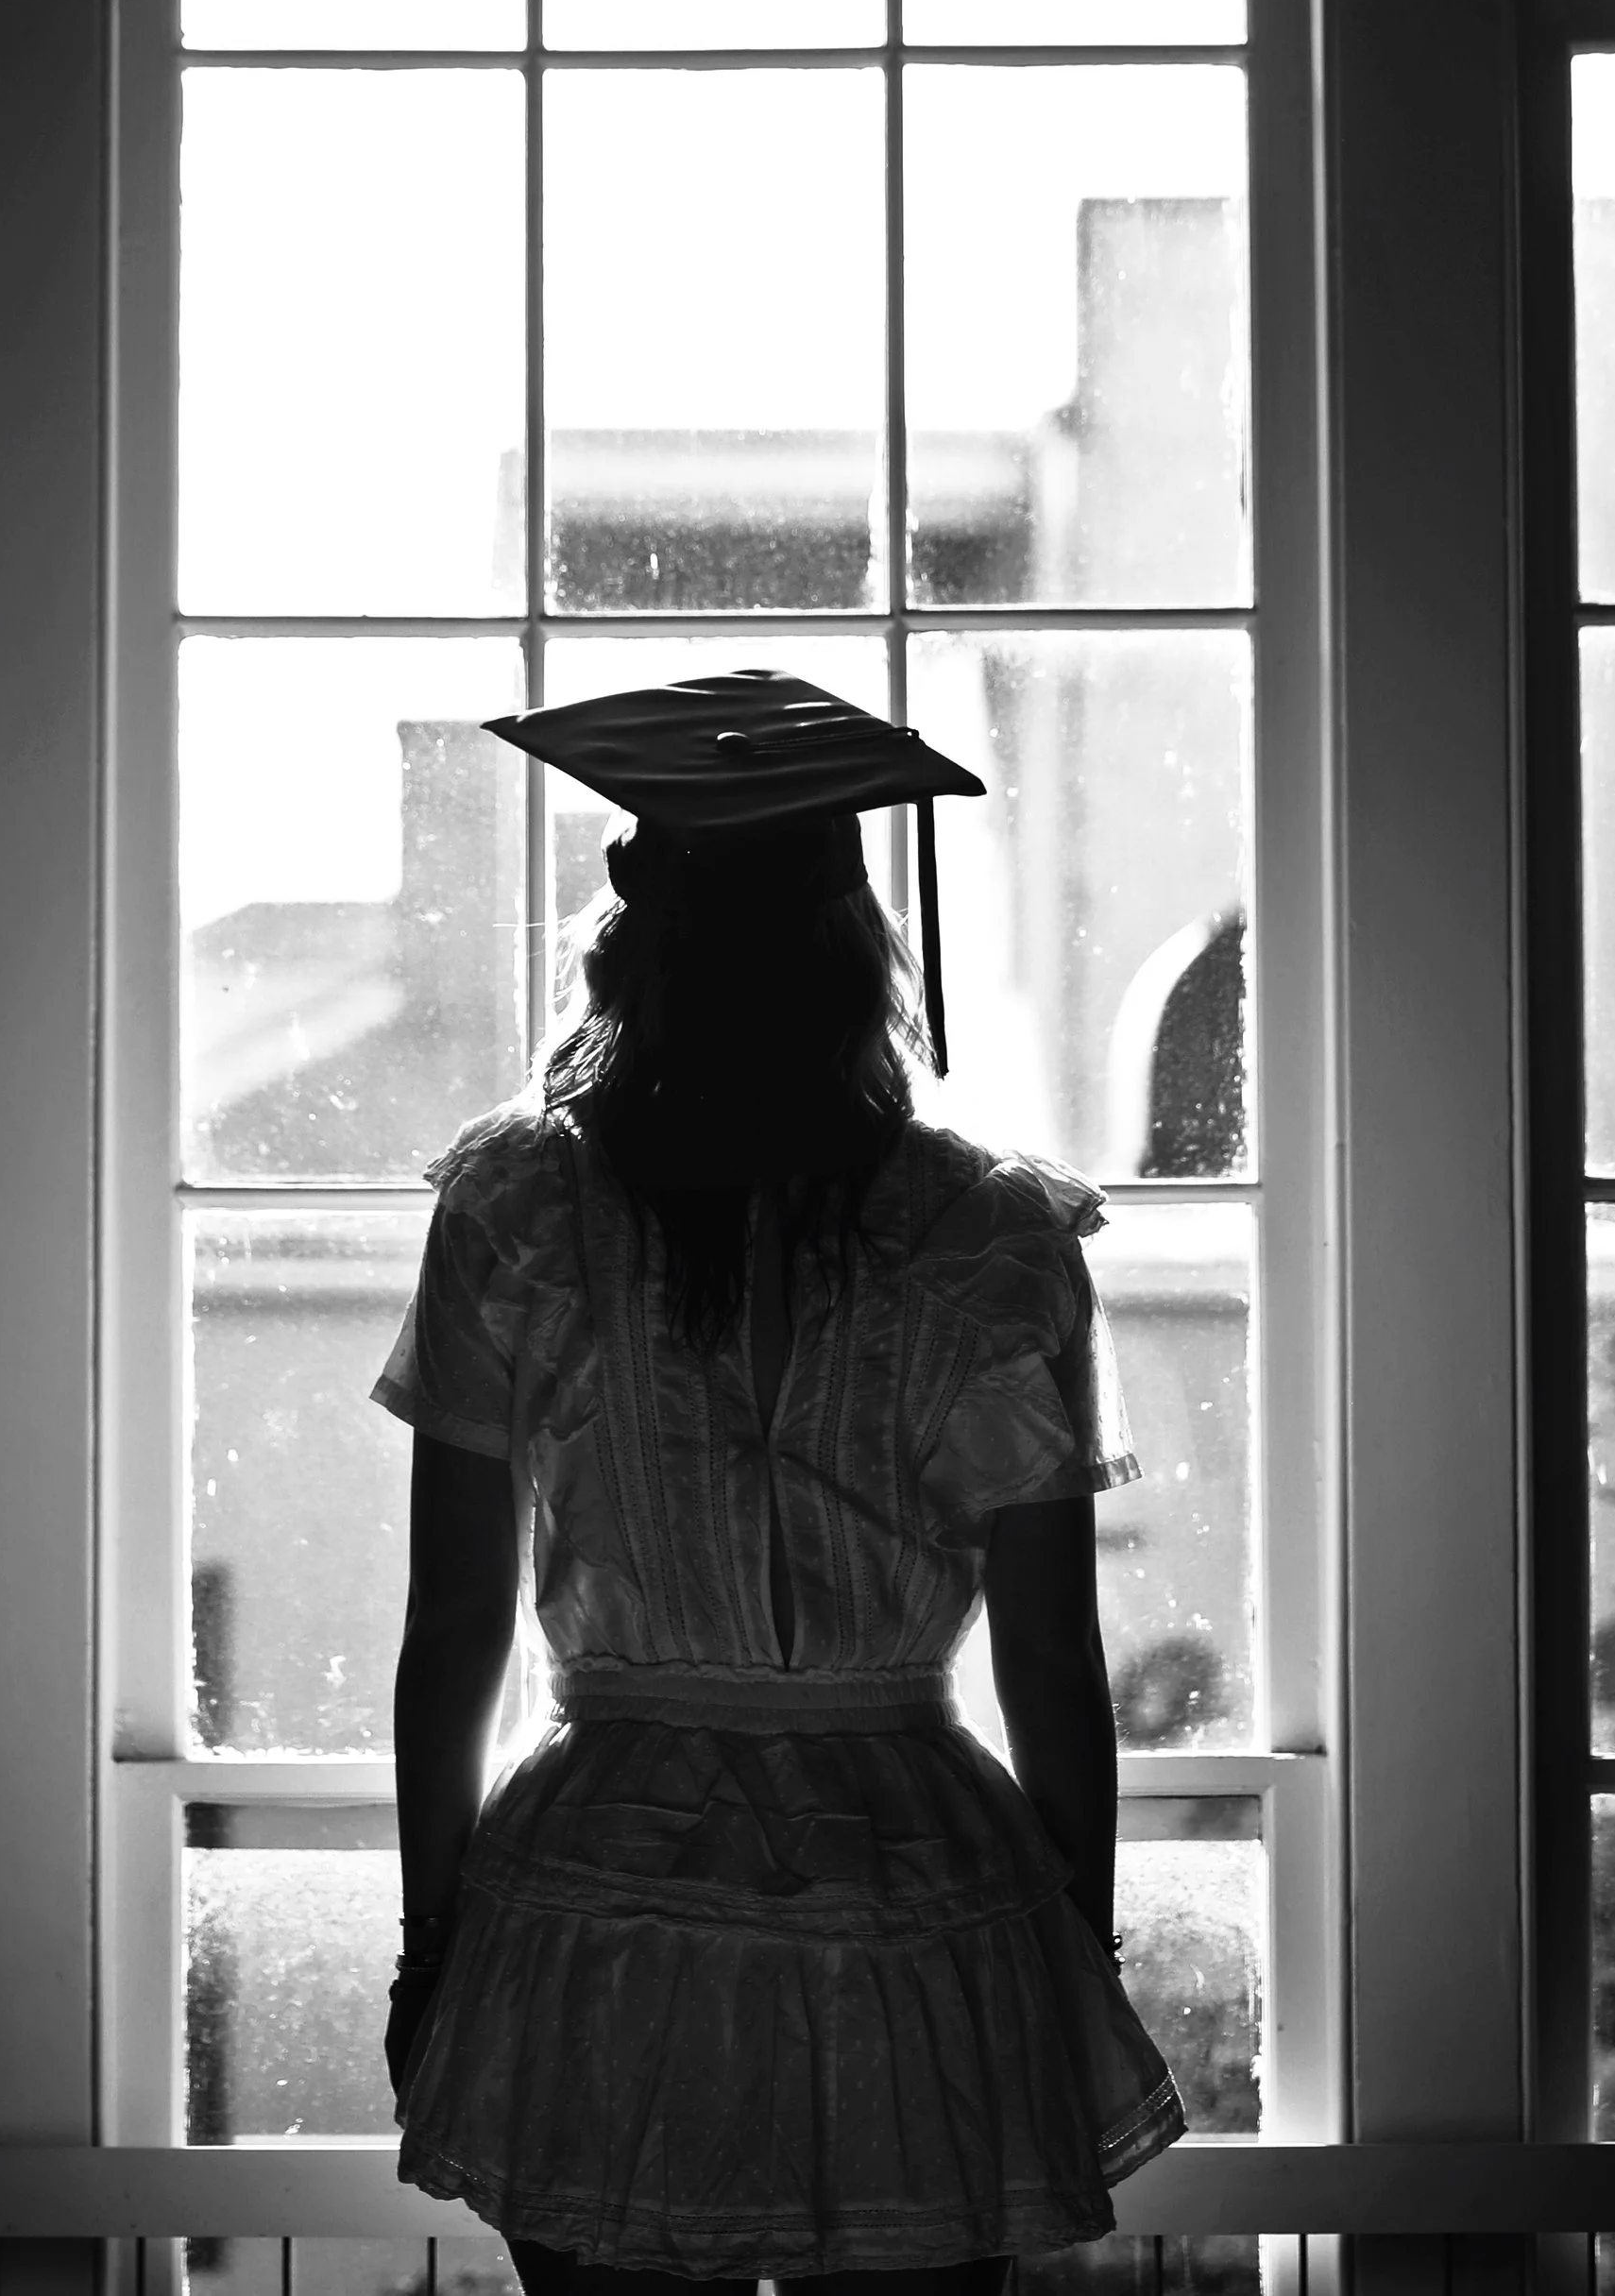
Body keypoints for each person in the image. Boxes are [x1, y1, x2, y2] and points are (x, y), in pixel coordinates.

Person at [372, 669, 1184, 2291]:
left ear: (645, 926)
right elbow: (1048, 1659)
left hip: (604, 1882)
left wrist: (435, 1939)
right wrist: (1070, 1955)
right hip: (911, 1880)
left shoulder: (519, 1209)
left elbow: (456, 1627)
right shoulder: (992, 1235)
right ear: (849, 936)